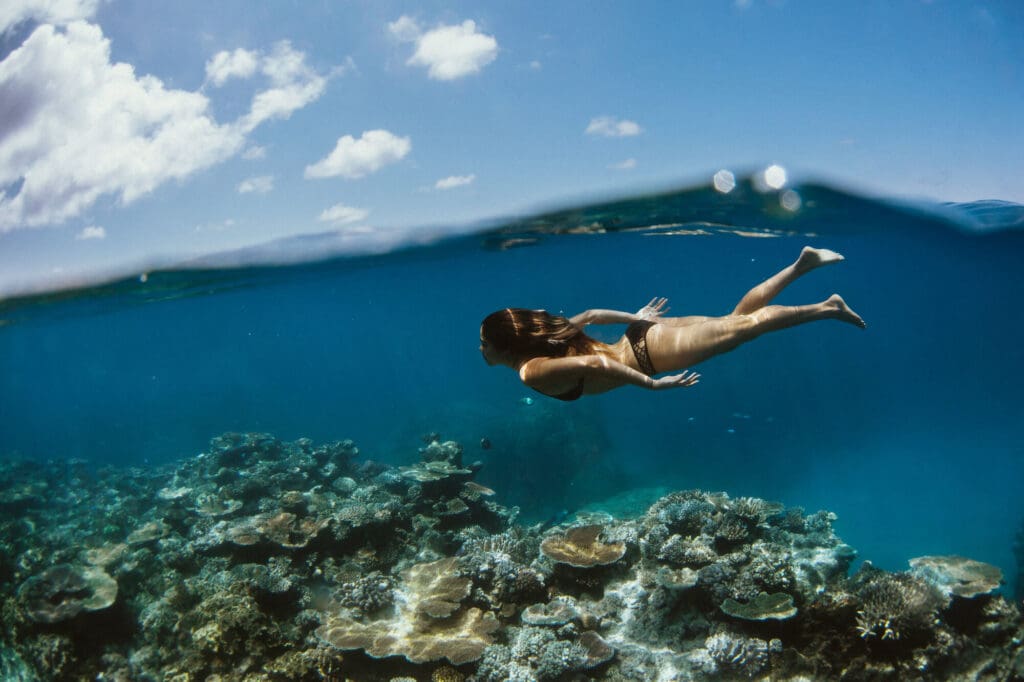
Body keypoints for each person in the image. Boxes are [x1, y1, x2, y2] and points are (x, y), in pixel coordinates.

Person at [479, 246, 865, 401]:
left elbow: (595, 363)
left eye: (484, 342)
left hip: (650, 357)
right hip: (642, 338)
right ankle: (801, 266)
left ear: (505, 345)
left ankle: (827, 307)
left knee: (746, 328)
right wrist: (637, 318)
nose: (481, 348)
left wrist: (651, 385)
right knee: (736, 322)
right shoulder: (547, 343)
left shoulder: (530, 371)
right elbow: (593, 315)